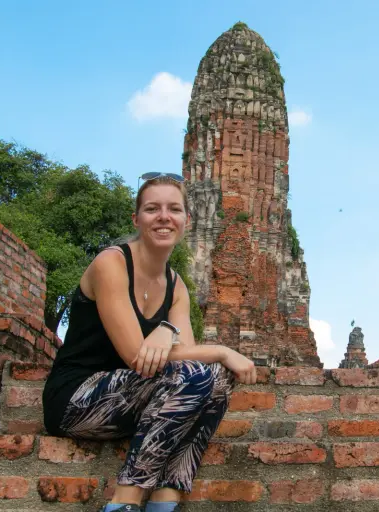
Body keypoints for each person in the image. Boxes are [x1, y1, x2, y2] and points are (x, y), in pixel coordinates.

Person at [42, 172, 257, 512]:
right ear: (137, 218)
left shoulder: (177, 286)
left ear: (187, 220)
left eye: (174, 209)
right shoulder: (111, 263)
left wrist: (168, 329)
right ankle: (124, 501)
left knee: (217, 378)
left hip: (133, 400)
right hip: (76, 400)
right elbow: (135, 355)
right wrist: (221, 349)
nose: (164, 217)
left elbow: (190, 362)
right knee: (204, 369)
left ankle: (164, 501)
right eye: (152, 209)